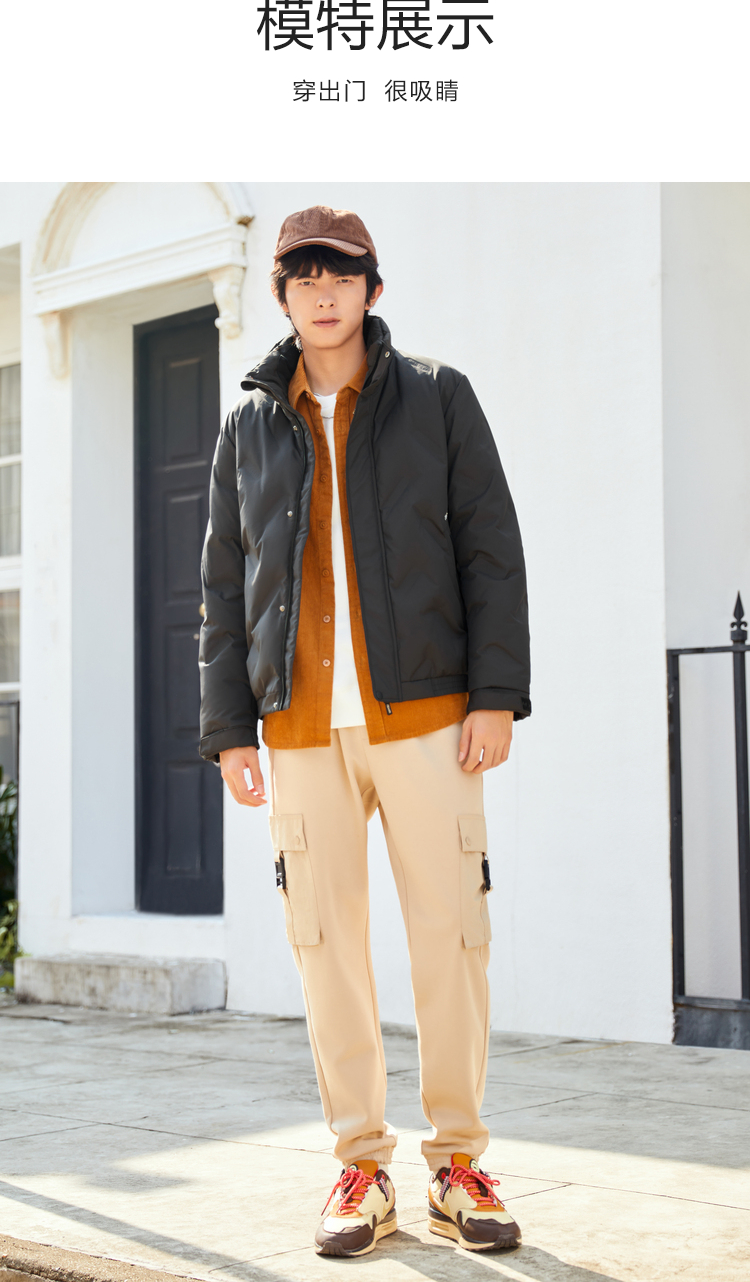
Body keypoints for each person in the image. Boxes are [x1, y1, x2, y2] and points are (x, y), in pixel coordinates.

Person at [199, 205, 531, 1256]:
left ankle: (459, 1163)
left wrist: (495, 694)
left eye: (341, 273)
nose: (323, 291)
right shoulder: (249, 426)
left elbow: (490, 548)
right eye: (302, 276)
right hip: (299, 727)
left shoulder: (436, 396)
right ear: (281, 297)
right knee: (326, 947)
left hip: (428, 716)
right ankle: (360, 1168)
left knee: (452, 936)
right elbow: (223, 583)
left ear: (372, 289)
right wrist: (230, 727)